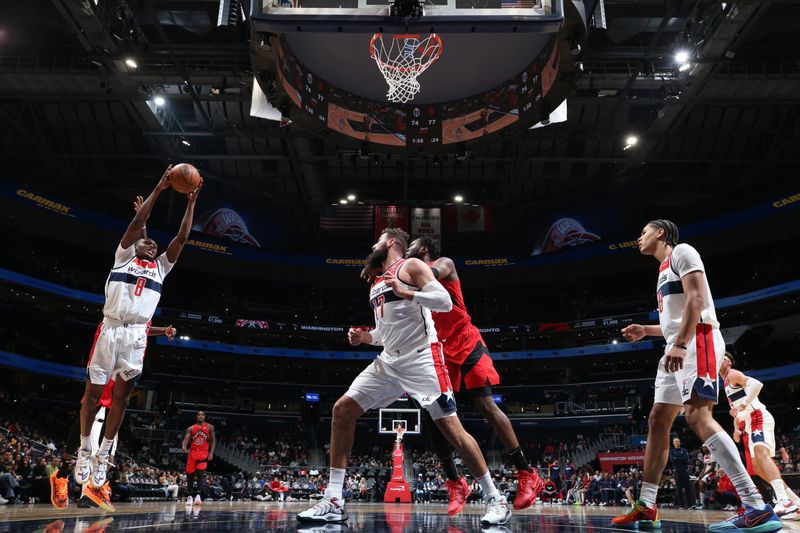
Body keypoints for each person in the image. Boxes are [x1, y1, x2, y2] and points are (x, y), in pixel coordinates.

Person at [298, 228, 511, 526]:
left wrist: (406, 291)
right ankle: (334, 499)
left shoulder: (411, 266)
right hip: (390, 362)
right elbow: (384, 335)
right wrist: (364, 337)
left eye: (378, 240)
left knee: (453, 430)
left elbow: (444, 302)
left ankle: (495, 498)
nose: (373, 245)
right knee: (342, 410)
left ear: (392, 243)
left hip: (423, 357)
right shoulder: (375, 283)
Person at [611, 219, 781, 532]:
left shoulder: (683, 252)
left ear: (660, 233)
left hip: (697, 340)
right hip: (676, 344)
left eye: (643, 232)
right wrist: (646, 330)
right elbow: (675, 318)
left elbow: (696, 300)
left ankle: (756, 506)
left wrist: (680, 343)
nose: (638, 238)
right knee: (658, 419)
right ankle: (647, 506)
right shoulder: (663, 268)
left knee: (697, 417)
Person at [73, 168, 201, 512]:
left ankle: (103, 454)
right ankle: (84, 448)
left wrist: (192, 202)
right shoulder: (124, 255)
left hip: (135, 336)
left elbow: (182, 238)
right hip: (111, 329)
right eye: (147, 239)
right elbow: (137, 227)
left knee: (123, 401)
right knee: (92, 395)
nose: (152, 242)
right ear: (135, 242)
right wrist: (159, 188)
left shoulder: (161, 268)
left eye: (154, 242)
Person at [399, 236, 543, 514]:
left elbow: (422, 279)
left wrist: (390, 272)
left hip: (465, 341)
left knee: (486, 405)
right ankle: (455, 481)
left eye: (411, 248)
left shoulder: (443, 264)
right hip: (439, 350)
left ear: (424, 250)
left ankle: (527, 473)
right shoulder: (410, 276)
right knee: (435, 413)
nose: (407, 252)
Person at [51, 324, 177, 510]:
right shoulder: (119, 305)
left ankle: (95, 486)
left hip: (126, 358)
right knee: (88, 419)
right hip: (108, 350)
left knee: (112, 437)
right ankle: (62, 474)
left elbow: (141, 326)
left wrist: (162, 330)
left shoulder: (142, 310)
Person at [722, 352, 799, 519]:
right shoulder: (726, 383)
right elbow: (738, 422)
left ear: (728, 362)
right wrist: (736, 419)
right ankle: (795, 502)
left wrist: (742, 406)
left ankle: (783, 500)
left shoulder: (733, 374)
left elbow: (757, 384)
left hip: (758, 417)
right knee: (757, 467)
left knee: (762, 457)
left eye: (723, 357)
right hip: (749, 423)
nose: (718, 359)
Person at [182, 411, 215, 507]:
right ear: (196, 417)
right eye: (199, 414)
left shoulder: (210, 427)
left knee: (201, 473)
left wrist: (211, 452)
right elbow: (186, 439)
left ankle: (198, 496)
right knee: (190, 475)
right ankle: (189, 496)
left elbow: (213, 440)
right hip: (192, 453)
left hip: (203, 452)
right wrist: (184, 446)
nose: (200, 416)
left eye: (202, 414)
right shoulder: (191, 428)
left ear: (204, 416)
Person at [670, 437, 693, 509]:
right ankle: (681, 505)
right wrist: (679, 458)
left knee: (687, 488)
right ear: (673, 443)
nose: (676, 443)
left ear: (680, 442)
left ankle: (689, 505)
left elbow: (686, 459)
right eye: (675, 441)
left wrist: (677, 458)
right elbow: (672, 460)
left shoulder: (684, 450)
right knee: (679, 489)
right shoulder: (672, 451)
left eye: (677, 441)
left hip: (684, 471)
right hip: (677, 472)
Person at [693, 445, 717, 510]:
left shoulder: (712, 455)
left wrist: (704, 475)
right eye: (703, 447)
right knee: (695, 483)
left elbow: (712, 468)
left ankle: (702, 504)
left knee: (701, 483)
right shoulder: (705, 456)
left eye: (705, 447)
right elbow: (704, 468)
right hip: (706, 473)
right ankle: (697, 502)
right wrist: (700, 475)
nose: (704, 448)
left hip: (712, 473)